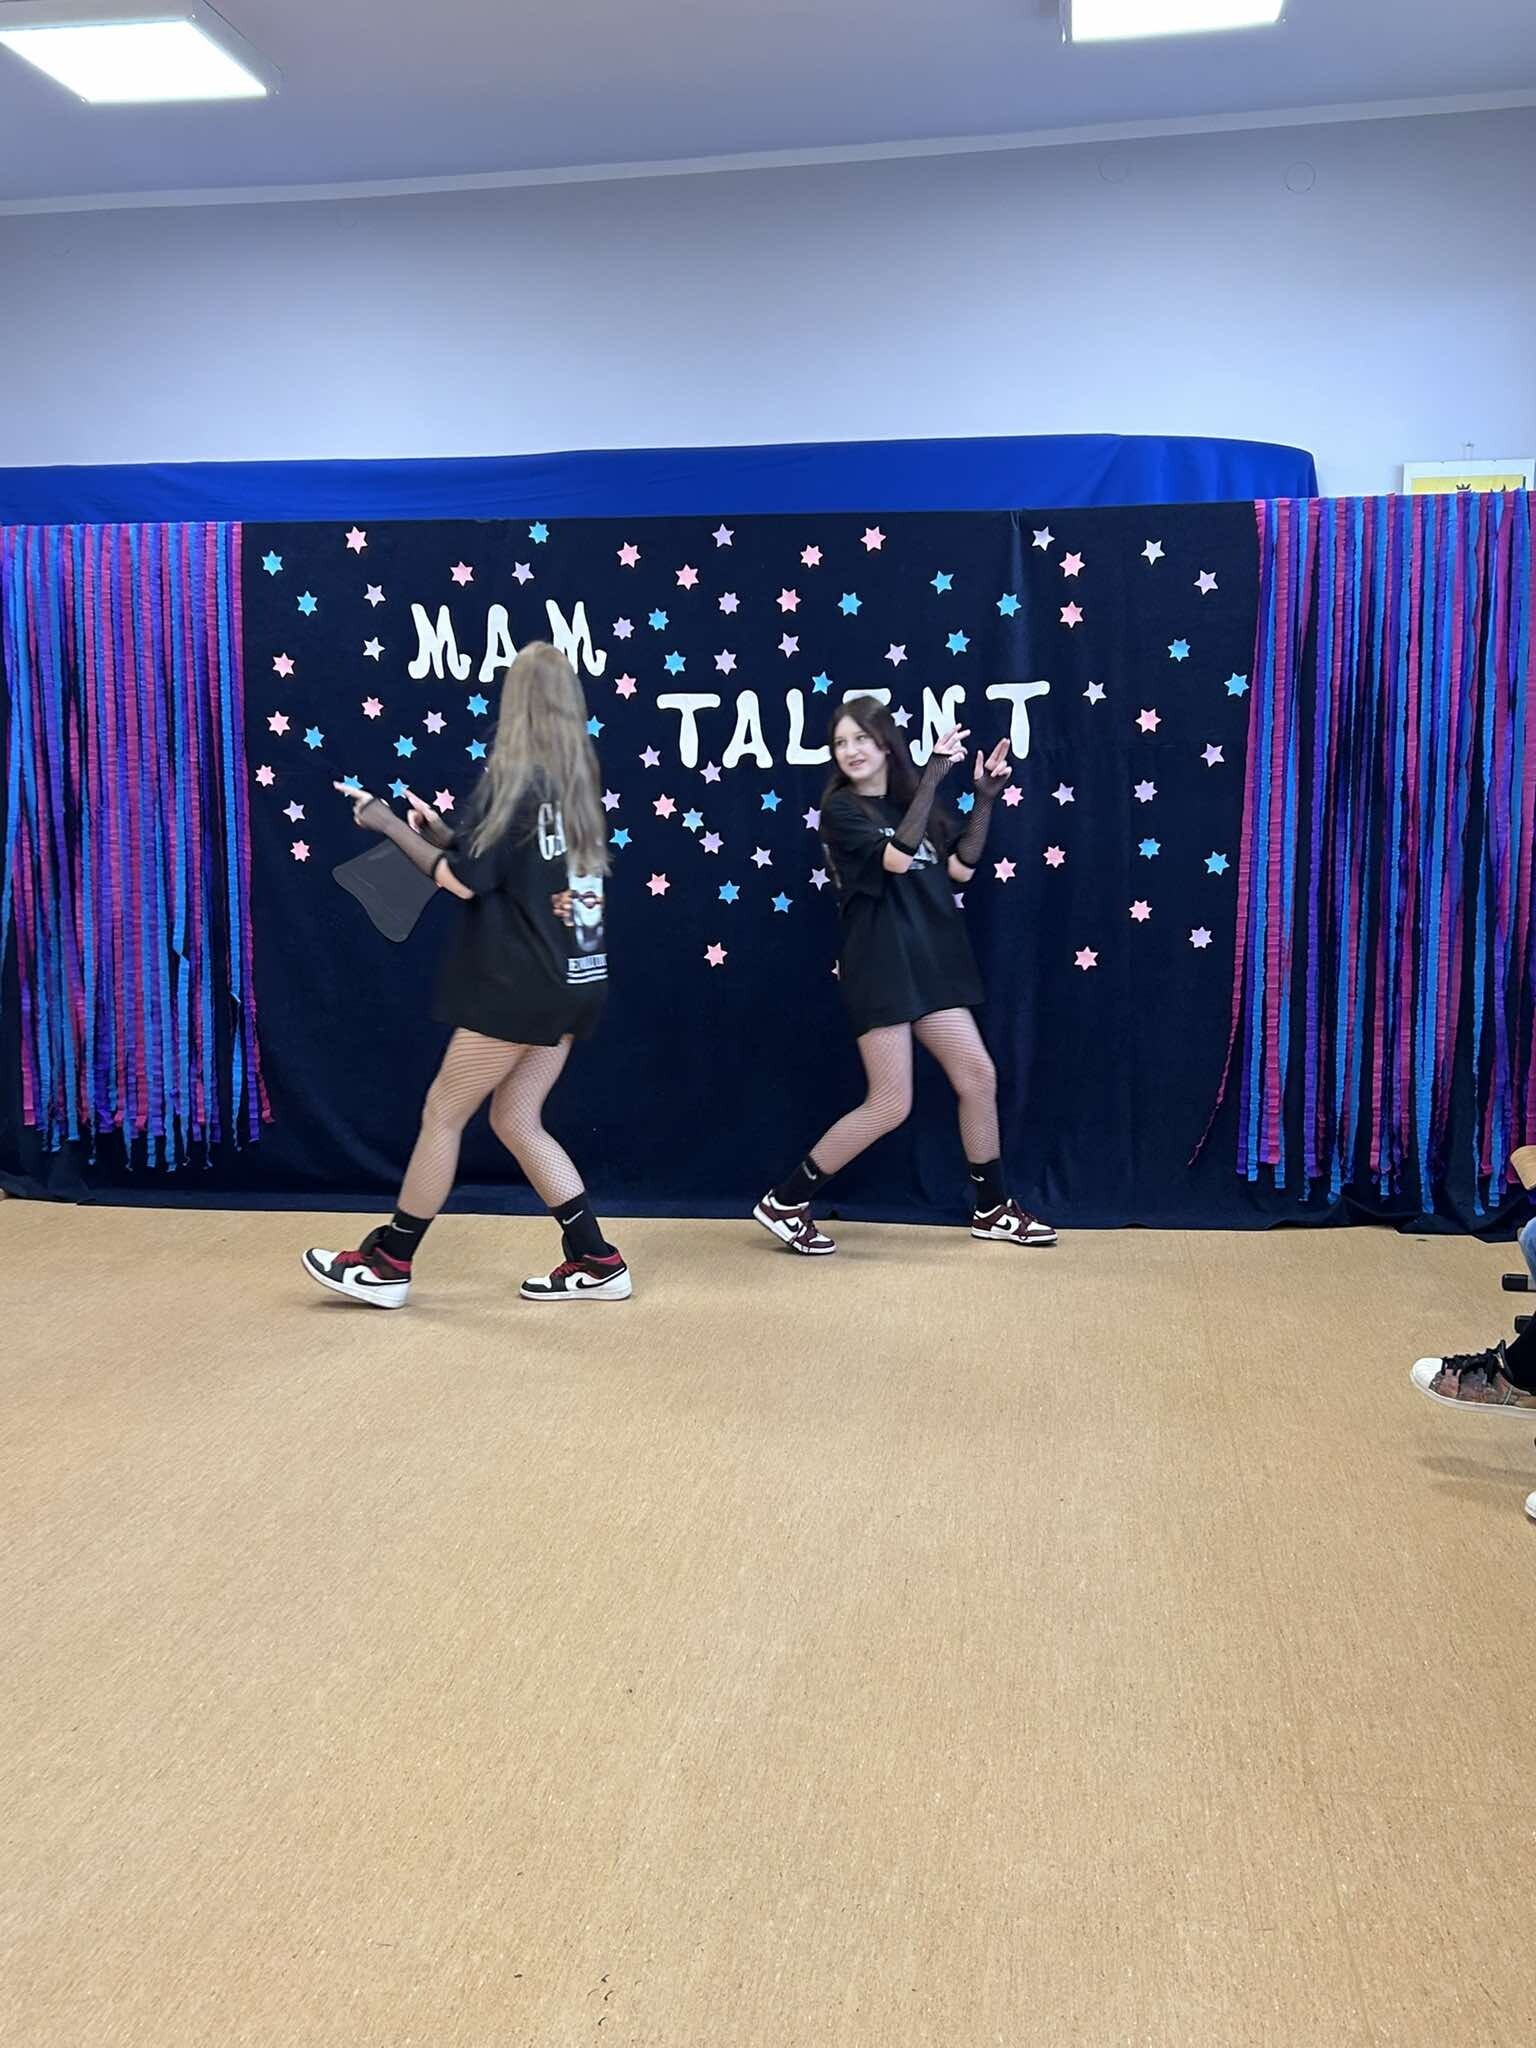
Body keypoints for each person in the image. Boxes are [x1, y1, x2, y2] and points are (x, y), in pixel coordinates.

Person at [302, 642, 629, 1308]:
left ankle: (390, 1262)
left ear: (518, 705)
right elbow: (509, 868)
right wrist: (449, 833)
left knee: (443, 1113)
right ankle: (597, 1259)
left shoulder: (515, 781)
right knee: (517, 1118)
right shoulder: (573, 791)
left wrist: (386, 822)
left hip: (520, 986)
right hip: (574, 980)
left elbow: (462, 883)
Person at [755, 695, 1056, 1256]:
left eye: (861, 739)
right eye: (841, 742)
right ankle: (786, 1201)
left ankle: (992, 1208)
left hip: (930, 966)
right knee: (891, 1103)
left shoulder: (909, 805)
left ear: (886, 744)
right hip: (881, 967)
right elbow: (896, 859)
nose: (851, 751)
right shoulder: (841, 811)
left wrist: (984, 799)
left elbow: (960, 869)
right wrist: (933, 778)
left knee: (978, 1076)